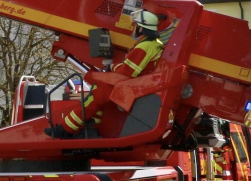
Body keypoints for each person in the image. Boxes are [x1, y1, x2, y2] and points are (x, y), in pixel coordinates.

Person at [47, 9, 165, 138]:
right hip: (140, 86)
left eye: (136, 25)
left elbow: (127, 72)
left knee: (96, 94)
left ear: (141, 28)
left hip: (132, 87)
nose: (133, 28)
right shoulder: (154, 44)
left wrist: (113, 66)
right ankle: (92, 125)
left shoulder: (144, 46)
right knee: (100, 91)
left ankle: (66, 129)